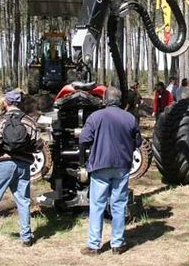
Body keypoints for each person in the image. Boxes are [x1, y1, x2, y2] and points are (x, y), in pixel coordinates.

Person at [79, 87, 142, 256]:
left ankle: (93, 246)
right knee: (119, 205)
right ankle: (117, 244)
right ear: (120, 101)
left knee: (97, 205)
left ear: (105, 100)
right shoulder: (130, 118)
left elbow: (84, 139)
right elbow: (138, 142)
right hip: (122, 166)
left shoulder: (95, 117)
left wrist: (84, 161)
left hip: (100, 166)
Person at [0, 90, 43, 247]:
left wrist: (1, 150)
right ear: (19, 103)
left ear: (6, 103)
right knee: (24, 200)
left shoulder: (1, 121)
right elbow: (39, 145)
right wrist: (26, 149)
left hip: (4, 164)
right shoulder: (29, 121)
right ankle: (26, 237)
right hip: (24, 165)